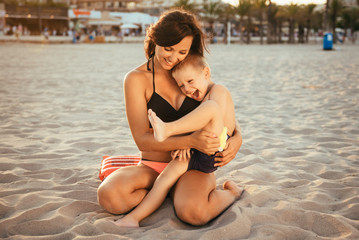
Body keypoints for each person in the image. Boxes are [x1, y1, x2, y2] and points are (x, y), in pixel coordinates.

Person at [97, 8, 243, 227]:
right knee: (109, 196)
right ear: (155, 40)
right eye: (168, 48)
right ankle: (167, 194)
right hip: (152, 167)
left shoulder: (190, 73)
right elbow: (142, 139)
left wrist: (238, 138)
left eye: (182, 52)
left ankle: (228, 194)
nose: (174, 58)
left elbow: (218, 108)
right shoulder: (136, 79)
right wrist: (190, 140)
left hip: (192, 167)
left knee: (194, 213)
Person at [114, 54, 241, 227]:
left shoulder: (219, 90)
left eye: (189, 81)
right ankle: (133, 218)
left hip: (211, 150)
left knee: (211, 107)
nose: (186, 89)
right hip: (192, 151)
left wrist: (238, 137)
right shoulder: (199, 91)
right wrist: (187, 142)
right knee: (162, 183)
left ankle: (233, 193)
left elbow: (213, 118)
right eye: (181, 85)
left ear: (206, 73)